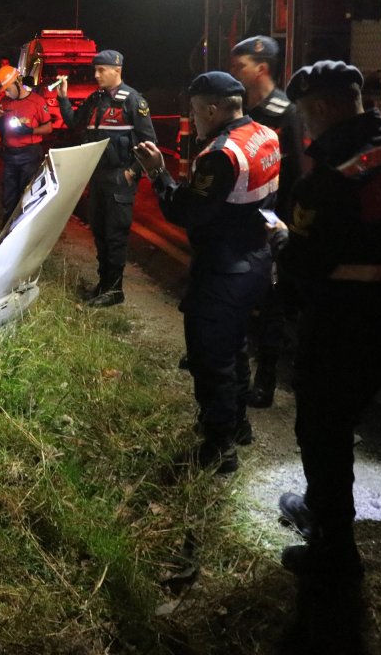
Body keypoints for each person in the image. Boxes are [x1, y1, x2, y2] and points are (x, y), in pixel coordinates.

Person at [272, 61, 381, 582]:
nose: (304, 124)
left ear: (319, 108)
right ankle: (321, 509)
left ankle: (333, 549)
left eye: (304, 113)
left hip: (341, 327)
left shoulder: (333, 180)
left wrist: (281, 240)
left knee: (322, 430)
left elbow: (303, 265)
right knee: (342, 421)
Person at [133, 71, 281, 474]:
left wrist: (158, 172)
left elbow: (187, 213)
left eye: (196, 113)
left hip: (223, 269)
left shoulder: (221, 154)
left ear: (212, 110)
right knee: (234, 348)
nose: (193, 120)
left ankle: (220, 448)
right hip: (256, 260)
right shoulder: (264, 134)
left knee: (210, 359)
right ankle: (239, 425)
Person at [230, 35, 305, 408]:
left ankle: (266, 381)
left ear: (261, 68)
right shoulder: (240, 110)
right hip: (243, 219)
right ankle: (237, 369)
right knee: (239, 298)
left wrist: (287, 226)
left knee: (272, 306)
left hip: (273, 223)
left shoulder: (287, 114)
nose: (234, 72)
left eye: (240, 65)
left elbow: (300, 177)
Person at [57, 50, 156, 306]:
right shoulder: (96, 99)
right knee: (99, 232)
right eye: (95, 70)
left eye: (101, 70)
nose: (96, 74)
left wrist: (132, 173)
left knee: (115, 236)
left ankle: (114, 290)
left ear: (117, 70)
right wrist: (63, 98)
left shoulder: (133, 101)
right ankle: (104, 285)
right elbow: (73, 122)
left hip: (119, 179)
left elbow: (150, 144)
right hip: (98, 178)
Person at [0, 64, 53, 221]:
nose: (7, 93)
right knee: (9, 198)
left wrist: (30, 131)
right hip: (10, 156)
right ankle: (6, 232)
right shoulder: (6, 102)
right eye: (5, 91)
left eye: (8, 89)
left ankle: (25, 230)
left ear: (17, 82)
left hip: (29, 156)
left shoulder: (37, 101)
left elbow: (48, 127)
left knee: (27, 197)